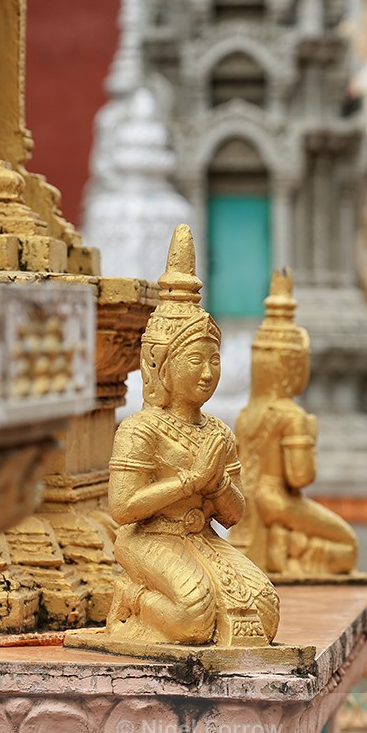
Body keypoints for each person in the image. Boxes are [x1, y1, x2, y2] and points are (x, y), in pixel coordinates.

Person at [106, 224, 279, 646]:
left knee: (263, 608)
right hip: (148, 537)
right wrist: (188, 481)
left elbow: (233, 516)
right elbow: (123, 508)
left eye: (214, 359)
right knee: (194, 616)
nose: (207, 372)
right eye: (195, 360)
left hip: (199, 534)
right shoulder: (140, 429)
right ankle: (132, 598)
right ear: (161, 366)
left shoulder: (217, 430)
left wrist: (215, 483)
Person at [230, 270, 358, 578]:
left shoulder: (246, 414)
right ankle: (293, 550)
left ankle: (287, 543)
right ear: (289, 369)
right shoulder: (292, 416)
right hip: (277, 501)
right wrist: (309, 437)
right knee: (347, 547)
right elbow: (300, 476)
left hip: (249, 502)